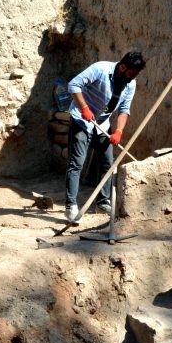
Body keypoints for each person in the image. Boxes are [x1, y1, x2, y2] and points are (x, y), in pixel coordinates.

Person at [64, 51, 146, 222]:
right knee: (77, 163)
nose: (132, 78)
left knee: (108, 163)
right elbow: (73, 85)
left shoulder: (130, 83)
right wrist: (84, 108)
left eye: (136, 74)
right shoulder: (100, 69)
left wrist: (118, 131)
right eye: (131, 73)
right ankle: (71, 206)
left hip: (102, 124)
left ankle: (103, 201)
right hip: (82, 120)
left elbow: (124, 110)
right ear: (123, 67)